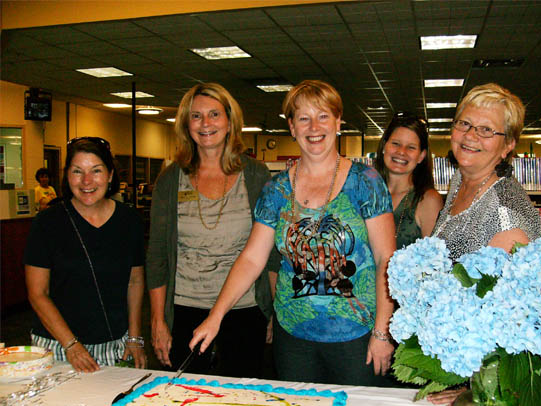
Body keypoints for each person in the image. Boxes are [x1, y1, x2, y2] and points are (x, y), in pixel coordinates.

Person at [189, 80, 396, 387]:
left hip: (357, 336)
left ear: (338, 122)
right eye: (303, 118)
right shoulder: (276, 190)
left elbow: (386, 259)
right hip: (294, 338)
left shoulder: (366, 181)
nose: (314, 127)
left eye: (323, 116)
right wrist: (216, 316)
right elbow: (252, 259)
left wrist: (382, 331)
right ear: (292, 127)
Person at [146, 82, 278, 378]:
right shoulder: (171, 180)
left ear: (230, 122)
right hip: (185, 307)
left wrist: (272, 311)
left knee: (242, 399)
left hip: (245, 306)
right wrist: (158, 320)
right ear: (185, 124)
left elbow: (270, 254)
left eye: (214, 114)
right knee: (187, 399)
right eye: (196, 116)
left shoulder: (255, 175)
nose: (205, 124)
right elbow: (157, 256)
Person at [428, 83, 541, 404]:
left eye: (486, 130)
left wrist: (474, 391)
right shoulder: (460, 181)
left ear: (508, 145)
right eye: (463, 123)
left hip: (480, 382)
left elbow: (515, 319)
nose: (470, 135)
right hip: (452, 356)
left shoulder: (505, 213)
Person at [24, 137, 146, 373]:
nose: (87, 181)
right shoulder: (47, 223)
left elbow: (135, 280)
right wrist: (71, 345)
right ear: (67, 176)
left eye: (96, 171)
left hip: (114, 346)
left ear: (110, 175)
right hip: (58, 346)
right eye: (77, 171)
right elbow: (38, 293)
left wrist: (135, 337)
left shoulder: (129, 221)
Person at [374, 114, 443, 249]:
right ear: (384, 147)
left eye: (411, 147)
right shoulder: (367, 193)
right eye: (396, 144)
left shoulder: (428, 200)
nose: (401, 152)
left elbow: (434, 263)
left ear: (421, 156)